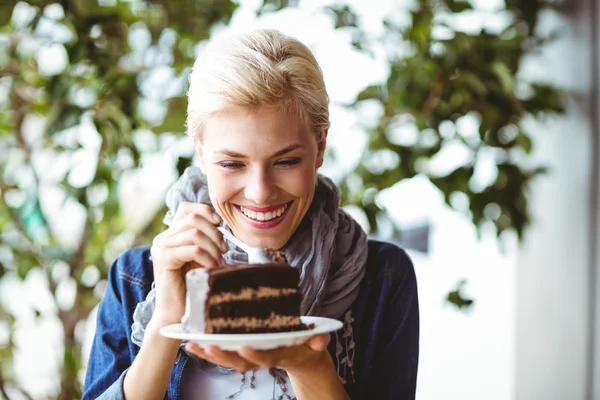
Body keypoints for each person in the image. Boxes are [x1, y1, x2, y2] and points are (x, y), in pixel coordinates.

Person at [82, 28, 419, 400]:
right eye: (231, 163)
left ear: (320, 145)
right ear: (200, 152)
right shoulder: (137, 279)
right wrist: (165, 320)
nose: (260, 192)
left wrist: (309, 364)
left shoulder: (382, 277)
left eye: (287, 160)